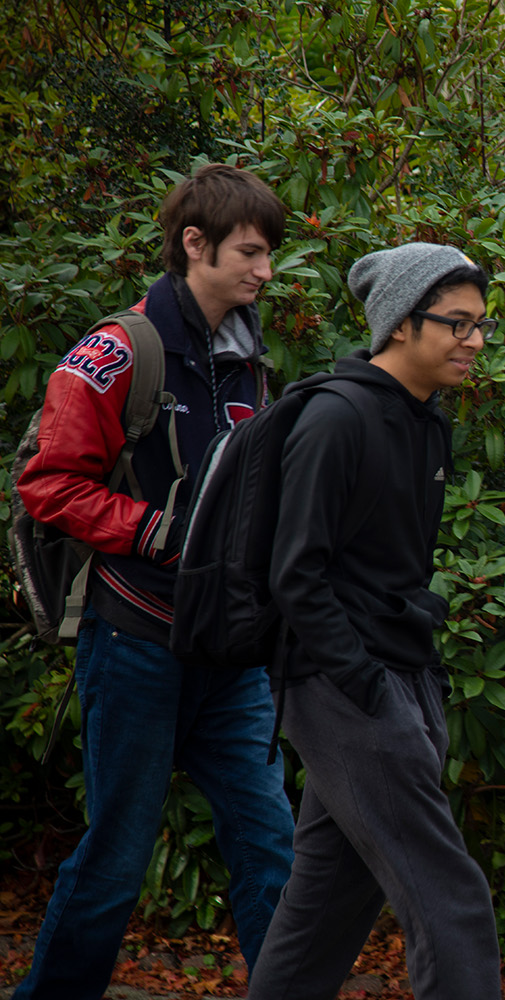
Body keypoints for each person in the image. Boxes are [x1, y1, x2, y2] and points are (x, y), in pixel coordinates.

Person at [13, 163, 296, 998]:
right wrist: (159, 530)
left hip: (230, 650)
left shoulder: (249, 358)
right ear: (193, 244)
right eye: (250, 253)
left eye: (270, 254)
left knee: (272, 845)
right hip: (135, 640)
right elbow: (48, 484)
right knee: (118, 857)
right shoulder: (117, 349)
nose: (265, 272)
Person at [247, 243, 503, 1000]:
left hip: (399, 673)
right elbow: (295, 572)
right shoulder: (336, 418)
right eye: (456, 324)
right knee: (452, 901)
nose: (474, 342)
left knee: (327, 903)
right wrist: (362, 683)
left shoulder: (425, 422)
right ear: (400, 323)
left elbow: (392, 569)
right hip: (344, 684)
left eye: (481, 325)